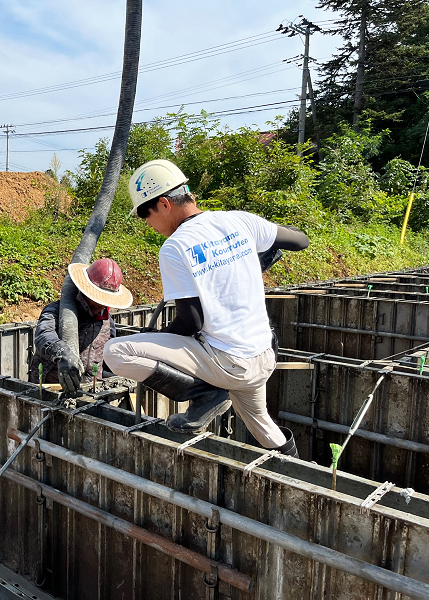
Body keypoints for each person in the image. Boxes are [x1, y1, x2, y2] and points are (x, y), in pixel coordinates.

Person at [103, 159, 309, 457]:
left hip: (228, 363)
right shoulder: (240, 221)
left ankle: (206, 393)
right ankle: (297, 474)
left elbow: (191, 320)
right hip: (263, 356)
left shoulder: (175, 246)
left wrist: (161, 337)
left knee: (116, 352)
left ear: (163, 204)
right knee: (262, 424)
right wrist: (257, 254)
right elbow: (299, 240)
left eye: (146, 217)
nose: (149, 225)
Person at [29, 258, 133, 394]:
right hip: (50, 390)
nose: (100, 304)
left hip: (90, 392)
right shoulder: (56, 310)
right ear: (85, 289)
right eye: (96, 298)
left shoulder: (107, 320)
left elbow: (108, 355)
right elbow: (44, 334)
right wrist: (62, 353)